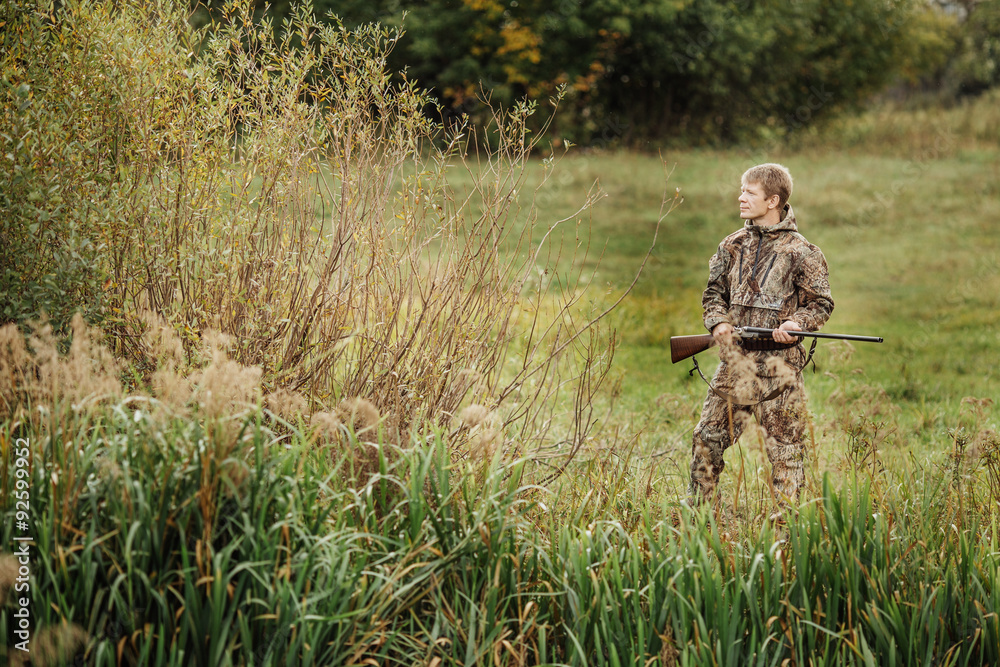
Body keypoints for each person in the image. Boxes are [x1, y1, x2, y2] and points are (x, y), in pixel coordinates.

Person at [687, 163, 834, 518]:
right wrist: (718, 323)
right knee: (706, 442)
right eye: (742, 190)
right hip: (734, 366)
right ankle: (699, 519)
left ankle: (788, 531)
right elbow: (713, 294)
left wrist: (797, 323)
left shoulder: (803, 251)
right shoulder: (732, 245)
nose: (740, 197)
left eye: (749, 193)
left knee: (786, 453)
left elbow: (821, 303)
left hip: (779, 368)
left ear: (773, 200)